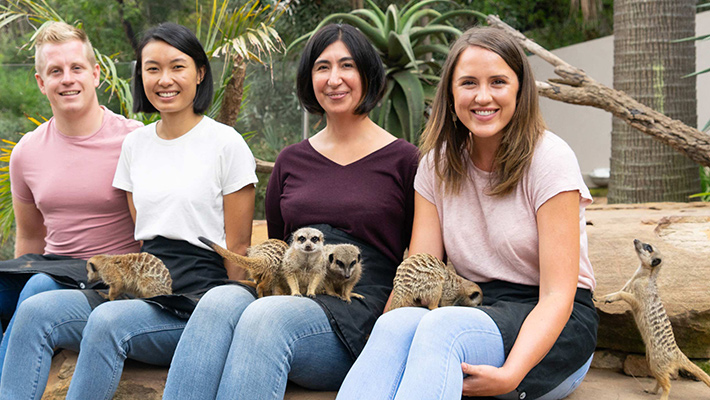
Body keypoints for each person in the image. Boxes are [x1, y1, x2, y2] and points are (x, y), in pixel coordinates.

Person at [335, 26, 598, 400]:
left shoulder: (550, 159)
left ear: (521, 90)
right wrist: (385, 340)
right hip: (472, 304)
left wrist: (511, 374)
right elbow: (417, 271)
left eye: (498, 82)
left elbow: (558, 296)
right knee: (396, 327)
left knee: (442, 326)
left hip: (552, 323)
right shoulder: (437, 165)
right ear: (451, 93)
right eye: (469, 83)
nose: (483, 96)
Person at [161, 23, 419, 400]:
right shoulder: (291, 160)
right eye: (322, 67)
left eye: (346, 66)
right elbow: (280, 245)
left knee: (268, 317)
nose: (334, 79)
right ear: (308, 78)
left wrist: (389, 335)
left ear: (368, 74)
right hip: (294, 287)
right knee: (219, 300)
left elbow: (420, 254)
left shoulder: (404, 159)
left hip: (357, 309)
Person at [0, 22, 257, 399]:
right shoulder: (136, 144)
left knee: (106, 320)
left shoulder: (226, 143)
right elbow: (143, 230)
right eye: (152, 68)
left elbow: (239, 249)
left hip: (202, 294)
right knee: (36, 311)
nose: (164, 79)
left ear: (200, 73)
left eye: (177, 66)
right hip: (148, 286)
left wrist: (234, 315)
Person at [0, 21, 141, 380]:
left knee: (38, 288)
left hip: (111, 281)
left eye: (76, 68)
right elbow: (30, 239)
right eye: (55, 71)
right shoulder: (26, 153)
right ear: (40, 82)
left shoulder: (134, 141)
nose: (67, 79)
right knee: (30, 284)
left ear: (95, 74)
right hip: (53, 270)